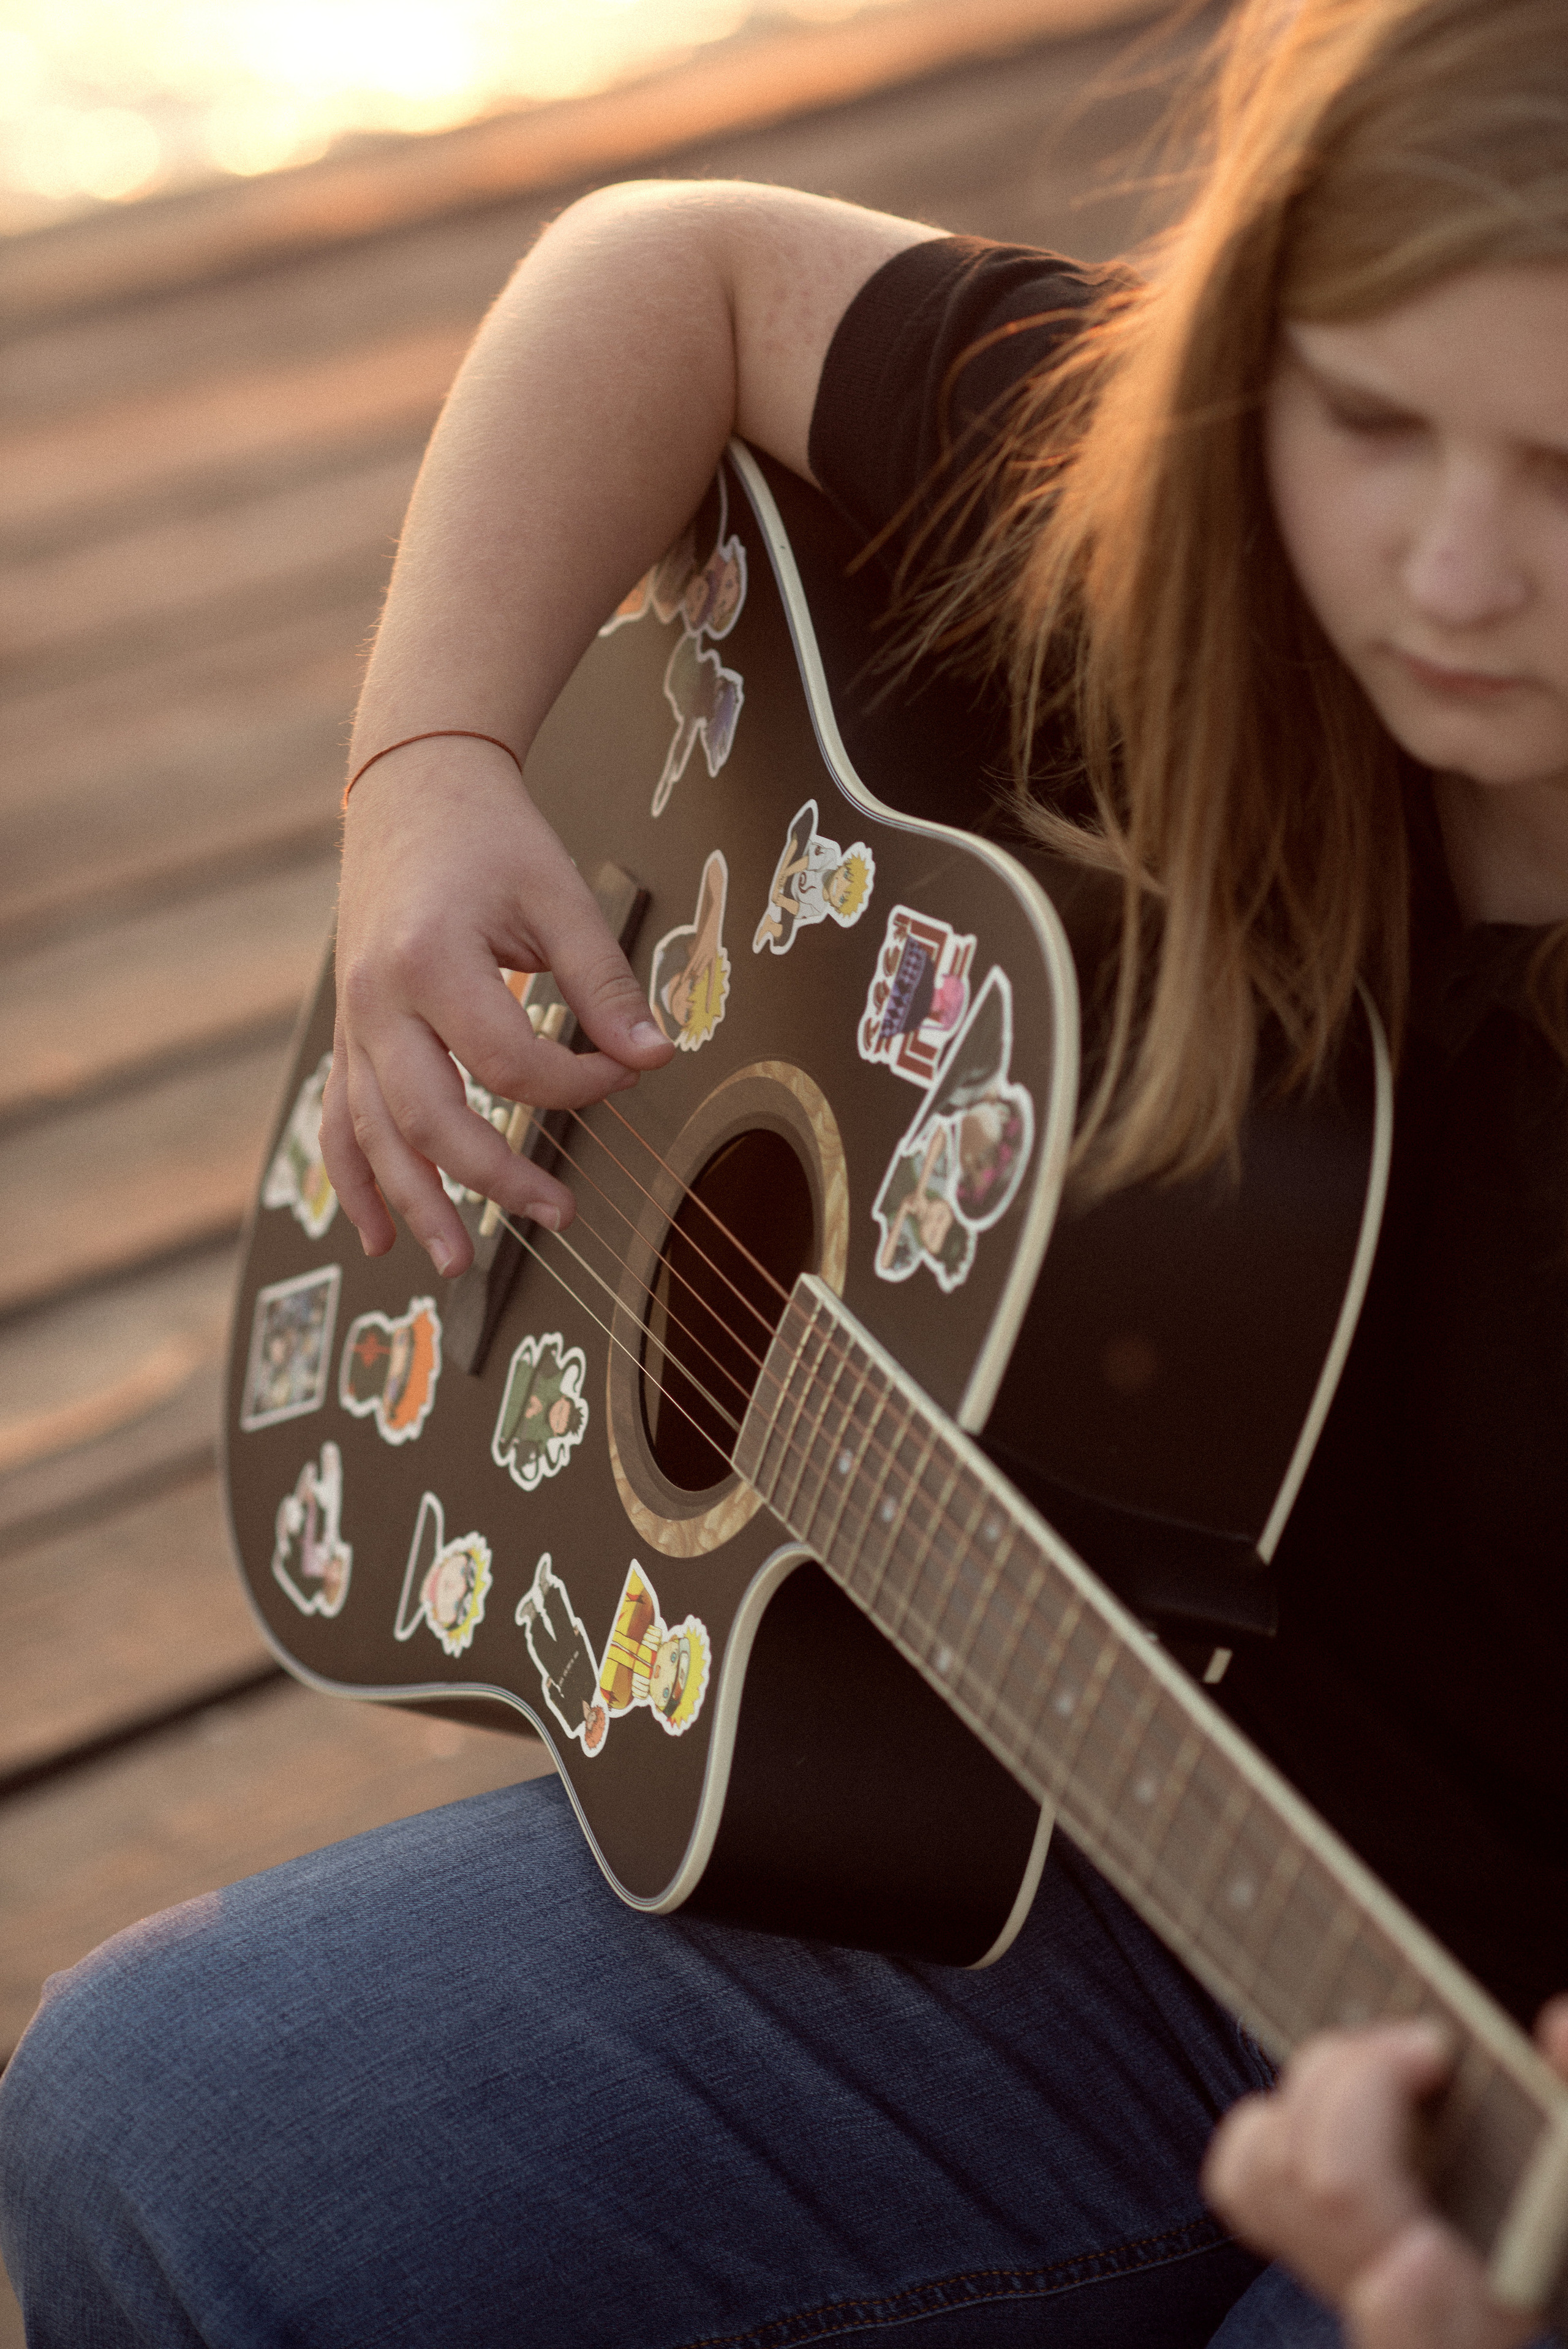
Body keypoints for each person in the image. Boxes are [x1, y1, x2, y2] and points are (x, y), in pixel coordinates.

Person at [2, 0, 1567, 2340]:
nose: (1449, 568)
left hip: (1451, 2052)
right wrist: (427, 769)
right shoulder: (1186, 522)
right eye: (1371, 420)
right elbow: (678, 265)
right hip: (1044, 1843)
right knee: (147, 2116)